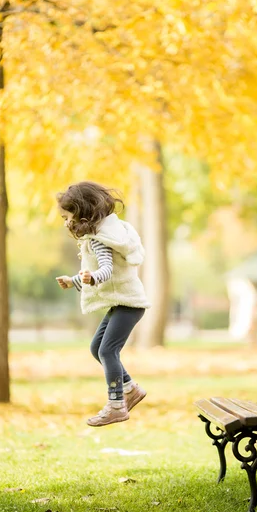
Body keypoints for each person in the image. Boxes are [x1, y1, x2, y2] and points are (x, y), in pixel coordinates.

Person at [55, 181, 151, 427]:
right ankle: (130, 389)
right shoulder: (105, 233)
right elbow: (100, 271)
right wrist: (74, 281)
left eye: (67, 216)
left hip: (128, 304)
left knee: (108, 350)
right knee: (97, 347)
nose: (66, 222)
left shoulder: (99, 238)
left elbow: (105, 269)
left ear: (81, 210)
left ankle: (117, 405)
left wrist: (91, 277)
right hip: (124, 303)